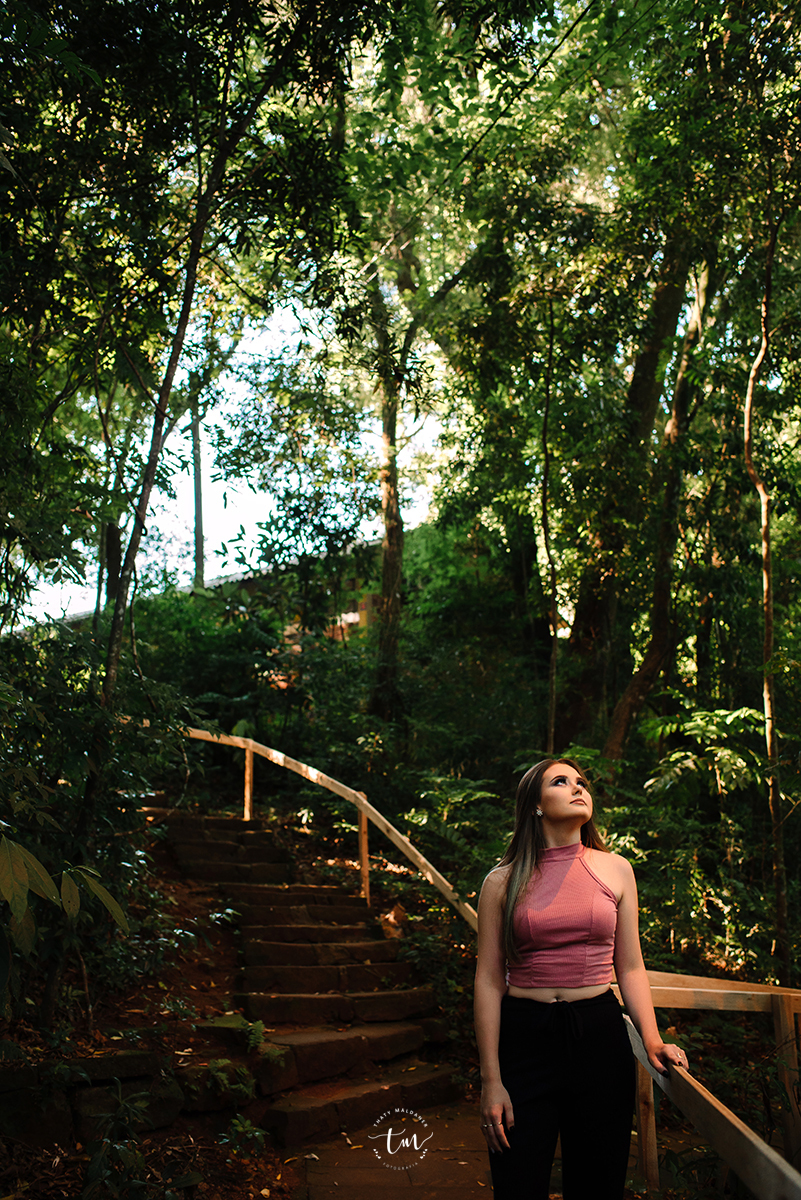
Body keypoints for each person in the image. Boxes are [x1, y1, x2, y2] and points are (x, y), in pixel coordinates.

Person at [474, 757, 688, 1199]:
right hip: (524, 1040)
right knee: (516, 1181)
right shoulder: (501, 882)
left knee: (597, 1182)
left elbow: (629, 966)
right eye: (561, 781)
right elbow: (490, 980)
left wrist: (652, 1041)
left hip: (598, 1037)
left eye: (581, 782)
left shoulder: (615, 869)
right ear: (534, 803)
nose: (578, 788)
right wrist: (491, 1079)